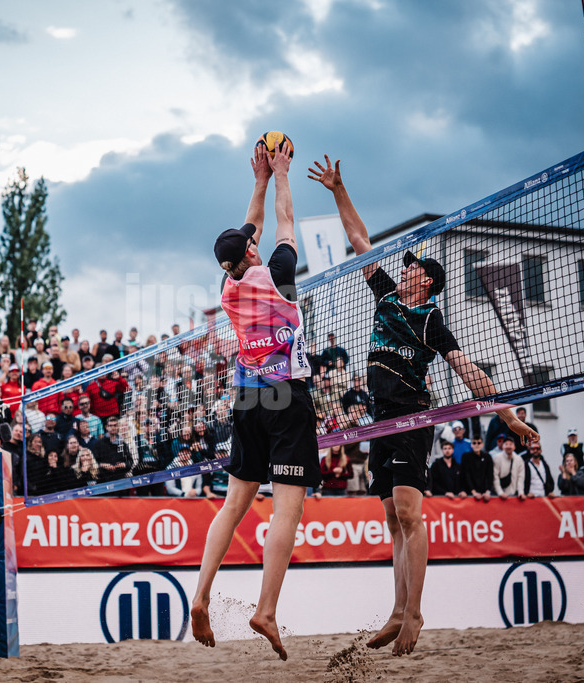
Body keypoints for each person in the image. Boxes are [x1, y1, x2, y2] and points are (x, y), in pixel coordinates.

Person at [309, 152, 538, 656]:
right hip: (379, 422)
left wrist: (506, 416)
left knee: (410, 515)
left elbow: (468, 370)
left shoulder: (432, 319)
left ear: (426, 280)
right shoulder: (387, 296)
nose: (405, 267)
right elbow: (359, 241)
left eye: (412, 266)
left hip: (413, 418)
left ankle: (414, 612)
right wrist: (337, 191)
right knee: (391, 517)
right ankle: (397, 609)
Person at [191, 140, 319, 661]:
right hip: (286, 395)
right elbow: (283, 223)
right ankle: (265, 608)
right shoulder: (279, 273)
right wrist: (282, 174)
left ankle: (199, 596)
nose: (255, 241)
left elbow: (251, 230)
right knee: (286, 507)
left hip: (246, 398)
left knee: (234, 504)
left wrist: (259, 180)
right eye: (250, 243)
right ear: (250, 253)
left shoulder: (228, 287)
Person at [460, 435, 494, 501]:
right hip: (470, 493)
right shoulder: (466, 456)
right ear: (471, 445)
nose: (476, 445)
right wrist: (473, 492)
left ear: (482, 444)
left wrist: (488, 491)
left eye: (479, 443)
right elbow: (466, 474)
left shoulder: (487, 457)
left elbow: (490, 474)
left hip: (484, 493)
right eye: (474, 443)